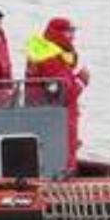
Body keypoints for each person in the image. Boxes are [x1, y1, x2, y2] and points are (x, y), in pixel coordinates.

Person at [25, 16, 90, 170]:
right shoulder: (51, 58)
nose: (73, 37)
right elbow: (63, 95)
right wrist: (81, 80)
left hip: (43, 113)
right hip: (58, 117)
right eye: (70, 32)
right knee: (63, 151)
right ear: (59, 33)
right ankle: (63, 179)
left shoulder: (45, 52)